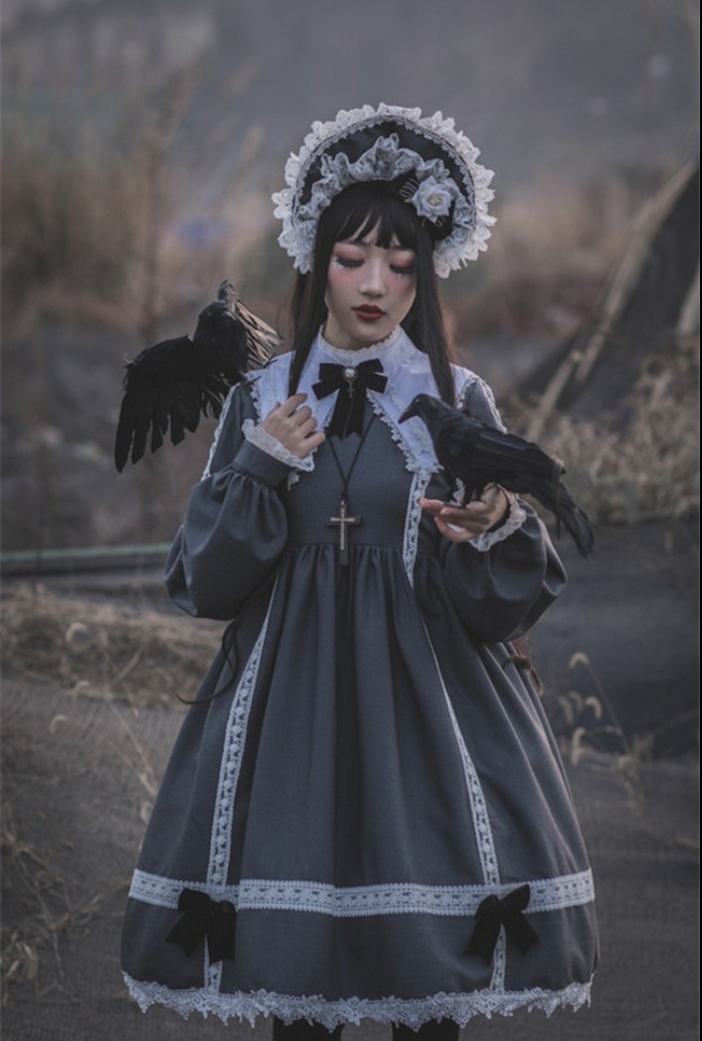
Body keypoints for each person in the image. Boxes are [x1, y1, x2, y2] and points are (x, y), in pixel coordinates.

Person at [121, 103, 598, 1038]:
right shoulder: (258, 398)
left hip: (430, 718)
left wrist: (498, 522)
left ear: (432, 269)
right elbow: (203, 585)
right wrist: (259, 463)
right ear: (314, 261)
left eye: (402, 263)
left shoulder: (460, 399)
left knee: (431, 996)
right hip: (285, 724)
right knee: (298, 994)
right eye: (352, 259)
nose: (376, 284)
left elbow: (497, 608)